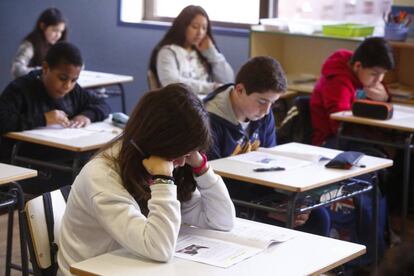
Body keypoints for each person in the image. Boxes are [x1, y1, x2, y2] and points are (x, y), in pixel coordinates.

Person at [57, 83, 236, 275]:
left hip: (131, 266)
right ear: (159, 142)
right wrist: (163, 181)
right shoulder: (103, 177)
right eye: (181, 153)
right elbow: (159, 248)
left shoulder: (159, 163)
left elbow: (222, 222)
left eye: (190, 153)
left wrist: (202, 168)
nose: (183, 163)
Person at [204, 56, 330, 236]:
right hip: (228, 201)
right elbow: (209, 183)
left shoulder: (262, 115)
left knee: (317, 217)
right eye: (262, 102)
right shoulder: (209, 122)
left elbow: (270, 164)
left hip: (258, 192)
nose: (267, 111)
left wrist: (286, 201)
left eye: (273, 103)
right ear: (239, 90)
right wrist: (266, 210)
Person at [0, 41, 110, 192]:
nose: (67, 86)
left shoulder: (73, 92)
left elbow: (102, 104)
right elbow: (3, 120)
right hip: (31, 160)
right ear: (45, 68)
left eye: (74, 80)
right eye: (63, 78)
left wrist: (86, 115)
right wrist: (43, 119)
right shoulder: (21, 89)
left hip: (64, 158)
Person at [310, 37, 395, 147]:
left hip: (357, 136)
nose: (379, 80)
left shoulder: (365, 75)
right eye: (374, 74)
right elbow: (340, 124)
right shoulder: (338, 82)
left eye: (383, 74)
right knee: (379, 153)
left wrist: (385, 99)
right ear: (357, 66)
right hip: (331, 140)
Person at [148, 5, 234, 94]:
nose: (200, 33)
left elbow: (228, 81)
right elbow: (171, 83)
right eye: (195, 27)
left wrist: (212, 53)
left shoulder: (203, 53)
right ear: (183, 26)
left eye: (204, 28)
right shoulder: (168, 52)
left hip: (207, 103)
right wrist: (210, 87)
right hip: (181, 104)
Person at [11, 8, 67, 78]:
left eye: (61, 31)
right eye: (54, 30)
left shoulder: (57, 44)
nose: (58, 35)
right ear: (42, 26)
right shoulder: (29, 45)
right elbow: (17, 69)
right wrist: (42, 71)